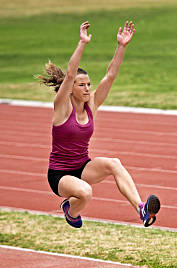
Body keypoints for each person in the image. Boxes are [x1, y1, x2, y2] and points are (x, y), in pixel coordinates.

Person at [36, 20, 160, 228]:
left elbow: (110, 76)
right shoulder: (62, 108)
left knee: (114, 163)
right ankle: (70, 210)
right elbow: (68, 75)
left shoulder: (91, 105)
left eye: (88, 84)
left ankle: (141, 209)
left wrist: (121, 47)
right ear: (71, 88)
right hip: (60, 175)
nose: (87, 89)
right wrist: (82, 43)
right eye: (81, 85)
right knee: (85, 192)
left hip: (83, 166)